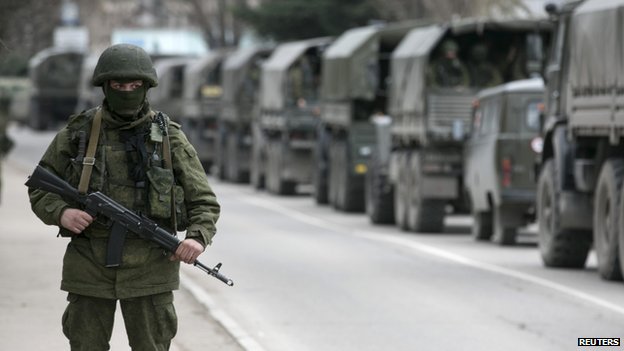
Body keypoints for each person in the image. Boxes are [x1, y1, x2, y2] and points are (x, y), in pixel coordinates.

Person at [27, 43, 221, 351]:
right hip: (89, 264)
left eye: (135, 85)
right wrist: (62, 213)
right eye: (118, 85)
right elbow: (39, 185)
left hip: (151, 267)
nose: (127, 91)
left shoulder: (168, 136)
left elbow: (203, 201)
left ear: (147, 87)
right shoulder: (79, 133)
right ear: (105, 86)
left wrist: (197, 238)